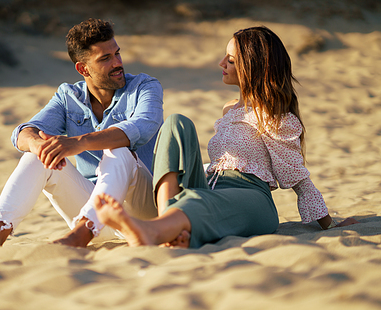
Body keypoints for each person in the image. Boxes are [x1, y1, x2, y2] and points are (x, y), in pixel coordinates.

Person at [94, 26, 359, 248]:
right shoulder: (229, 109)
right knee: (176, 123)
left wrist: (330, 224)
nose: (221, 64)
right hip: (207, 184)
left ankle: (156, 231)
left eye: (231, 60)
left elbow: (298, 178)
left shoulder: (276, 118)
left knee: (202, 201)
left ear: (254, 68)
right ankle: (166, 223)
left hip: (251, 198)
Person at [0, 18, 163, 250]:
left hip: (142, 215)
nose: (117, 63)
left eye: (117, 54)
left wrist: (78, 143)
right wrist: (38, 145)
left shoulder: (144, 86)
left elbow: (143, 126)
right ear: (83, 69)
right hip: (92, 211)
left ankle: (81, 234)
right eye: (105, 58)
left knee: (120, 152)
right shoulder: (68, 96)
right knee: (38, 154)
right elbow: (23, 133)